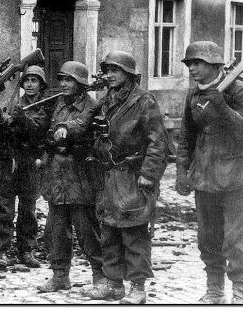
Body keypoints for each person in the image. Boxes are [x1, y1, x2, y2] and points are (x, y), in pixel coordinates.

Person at [81, 51, 169, 304]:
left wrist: (149, 175)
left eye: (115, 70)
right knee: (109, 231)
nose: (109, 75)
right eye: (107, 70)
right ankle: (113, 283)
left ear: (129, 74)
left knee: (134, 234)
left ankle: (138, 288)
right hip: (108, 175)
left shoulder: (144, 101)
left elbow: (158, 142)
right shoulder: (106, 100)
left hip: (132, 176)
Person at [175, 41, 243, 304]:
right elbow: (187, 135)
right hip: (205, 177)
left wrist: (223, 108)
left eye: (197, 63)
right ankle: (214, 290)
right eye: (189, 63)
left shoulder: (237, 90)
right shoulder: (193, 95)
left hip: (238, 178)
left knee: (237, 241)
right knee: (208, 239)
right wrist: (181, 170)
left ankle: (239, 294)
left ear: (214, 64)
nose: (192, 68)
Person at [36, 61, 104, 293]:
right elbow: (48, 131)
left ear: (81, 84)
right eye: (62, 79)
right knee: (55, 230)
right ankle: (60, 275)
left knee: (87, 230)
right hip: (57, 176)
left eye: (69, 80)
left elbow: (82, 124)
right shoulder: (58, 104)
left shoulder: (93, 105)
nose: (63, 84)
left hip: (80, 176)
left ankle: (100, 276)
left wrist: (65, 127)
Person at [0, 65, 51, 269]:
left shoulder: (46, 107)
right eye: (27, 80)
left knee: (29, 209)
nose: (30, 85)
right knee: (5, 207)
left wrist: (21, 118)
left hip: (31, 161)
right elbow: (4, 133)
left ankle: (27, 249)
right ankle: (0, 250)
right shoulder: (15, 104)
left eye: (35, 81)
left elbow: (39, 131)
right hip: (13, 160)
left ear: (41, 85)